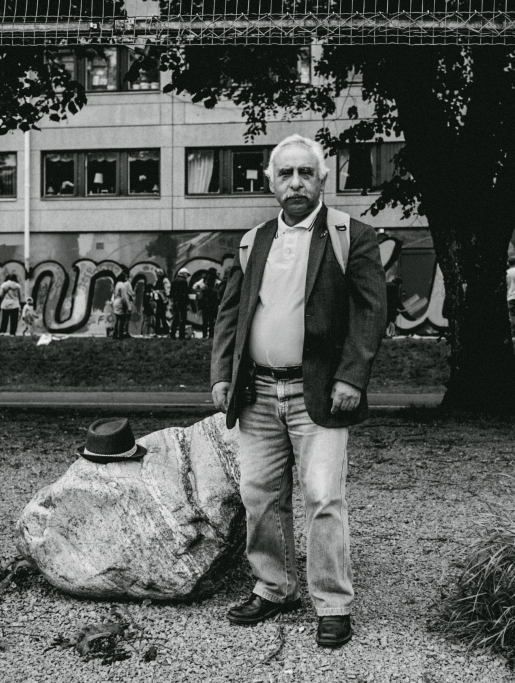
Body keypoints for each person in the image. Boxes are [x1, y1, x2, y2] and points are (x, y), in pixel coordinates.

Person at [210, 133, 387, 649]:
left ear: (322, 180)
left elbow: (371, 312)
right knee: (259, 495)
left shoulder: (350, 235)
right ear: (270, 182)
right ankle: (274, 586)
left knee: (323, 496)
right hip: (258, 394)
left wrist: (352, 376)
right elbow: (230, 315)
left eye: (304, 173)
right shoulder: (254, 240)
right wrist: (222, 374)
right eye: (284, 174)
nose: (295, 183)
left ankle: (332, 604)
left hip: (322, 394)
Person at [197, 269, 221, 339]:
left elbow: (200, 299)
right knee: (211, 322)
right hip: (213, 307)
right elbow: (218, 299)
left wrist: (200, 308)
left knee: (204, 322)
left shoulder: (204, 290)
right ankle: (211, 335)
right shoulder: (215, 291)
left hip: (205, 307)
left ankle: (204, 335)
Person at [169, 268, 191, 340]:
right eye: (187, 275)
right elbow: (185, 294)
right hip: (182, 302)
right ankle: (181, 336)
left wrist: (172, 302)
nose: (187, 276)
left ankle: (172, 334)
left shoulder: (174, 281)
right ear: (184, 274)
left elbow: (171, 293)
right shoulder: (184, 282)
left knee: (175, 318)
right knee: (183, 319)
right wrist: (188, 304)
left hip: (175, 302)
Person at [112, 272, 133, 340]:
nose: (127, 279)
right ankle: (120, 335)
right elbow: (124, 297)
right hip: (120, 303)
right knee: (122, 319)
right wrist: (128, 306)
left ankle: (115, 334)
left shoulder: (117, 284)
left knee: (118, 319)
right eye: (125, 277)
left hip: (116, 302)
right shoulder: (123, 286)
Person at [151, 272, 170, 337]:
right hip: (161, 300)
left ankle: (159, 331)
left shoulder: (160, 280)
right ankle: (165, 330)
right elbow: (167, 290)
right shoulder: (164, 280)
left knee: (159, 316)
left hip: (159, 300)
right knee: (161, 316)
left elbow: (166, 289)